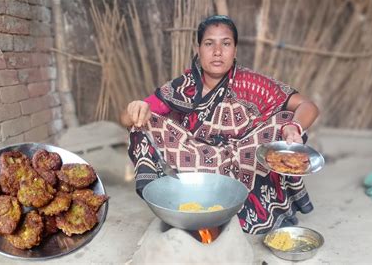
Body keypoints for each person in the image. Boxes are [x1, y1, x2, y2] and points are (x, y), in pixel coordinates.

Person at [120, 15, 319, 234]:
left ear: (234, 50)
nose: (217, 51)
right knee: (142, 123)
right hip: (196, 163)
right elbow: (128, 118)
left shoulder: (252, 82)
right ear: (199, 48)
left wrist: (293, 127)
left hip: (246, 160)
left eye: (225, 43)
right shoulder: (183, 87)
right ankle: (173, 198)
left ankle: (257, 209)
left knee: (284, 121)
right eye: (209, 43)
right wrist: (135, 107)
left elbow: (307, 106)